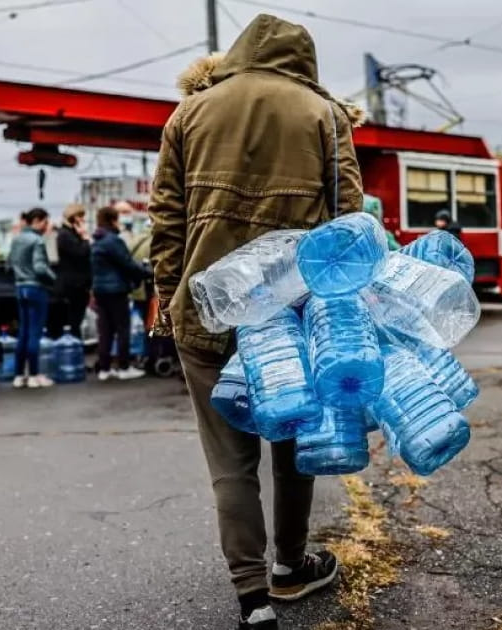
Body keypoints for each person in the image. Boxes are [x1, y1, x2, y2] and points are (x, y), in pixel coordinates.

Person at [148, 14, 364, 629]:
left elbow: (165, 219)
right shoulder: (324, 115)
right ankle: (291, 568)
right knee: (292, 442)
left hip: (205, 309)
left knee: (229, 461)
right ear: (304, 60)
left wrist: (171, 292)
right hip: (292, 316)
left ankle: (251, 596)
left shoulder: (188, 114)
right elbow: (351, 218)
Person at [91, 205, 149, 382]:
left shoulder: (97, 240)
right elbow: (128, 264)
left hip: (100, 290)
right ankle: (124, 367)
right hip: (116, 290)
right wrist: (147, 272)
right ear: (113, 220)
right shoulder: (113, 241)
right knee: (122, 329)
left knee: (105, 330)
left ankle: (105, 368)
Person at [8, 207, 56, 388]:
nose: (46, 226)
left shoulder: (16, 239)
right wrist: (53, 279)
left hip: (20, 288)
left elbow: (9, 264)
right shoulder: (37, 241)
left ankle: (19, 375)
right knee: (35, 333)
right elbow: (40, 268)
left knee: (23, 332)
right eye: (45, 222)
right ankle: (35, 374)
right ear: (36, 220)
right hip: (36, 288)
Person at [56, 203, 92, 339]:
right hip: (74, 284)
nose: (83, 220)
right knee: (75, 319)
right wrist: (85, 238)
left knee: (77, 317)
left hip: (78, 283)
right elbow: (81, 252)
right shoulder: (65, 235)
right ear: (74, 217)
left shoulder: (70, 234)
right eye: (81, 217)